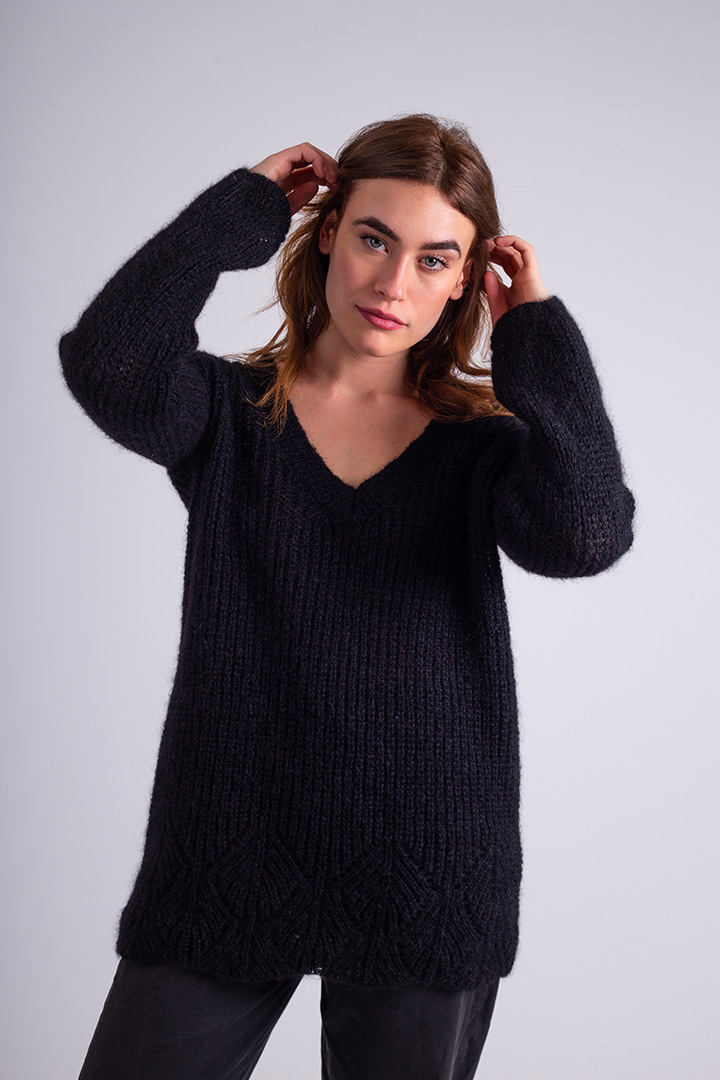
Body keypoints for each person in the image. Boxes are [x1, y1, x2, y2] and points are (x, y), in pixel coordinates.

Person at [58, 114, 636, 1079]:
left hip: (429, 871)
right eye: (374, 238)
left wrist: (535, 332)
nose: (393, 282)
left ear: (465, 280)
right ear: (328, 232)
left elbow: (585, 533)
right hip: (225, 854)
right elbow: (110, 360)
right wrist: (240, 208)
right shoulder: (227, 416)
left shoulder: (483, 450)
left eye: (433, 258)